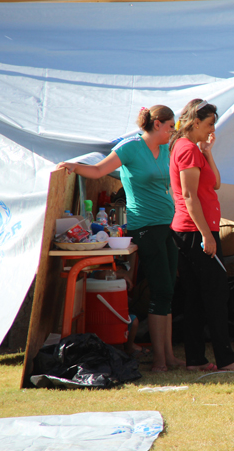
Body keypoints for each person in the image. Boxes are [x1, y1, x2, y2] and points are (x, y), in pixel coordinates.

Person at [57, 105, 183, 373]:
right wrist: (72, 166)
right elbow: (99, 171)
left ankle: (169, 356)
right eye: (170, 126)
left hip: (166, 225)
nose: (172, 131)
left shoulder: (166, 150)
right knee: (160, 290)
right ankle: (160, 360)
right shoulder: (130, 148)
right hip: (145, 227)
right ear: (157, 124)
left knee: (168, 291)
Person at [169, 98, 234, 372]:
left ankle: (196, 358)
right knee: (216, 293)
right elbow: (190, 196)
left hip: (191, 229)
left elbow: (214, 183)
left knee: (195, 296)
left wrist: (208, 152)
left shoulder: (192, 149)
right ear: (194, 123)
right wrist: (208, 235)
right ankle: (226, 358)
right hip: (195, 230)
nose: (212, 128)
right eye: (209, 124)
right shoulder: (186, 149)